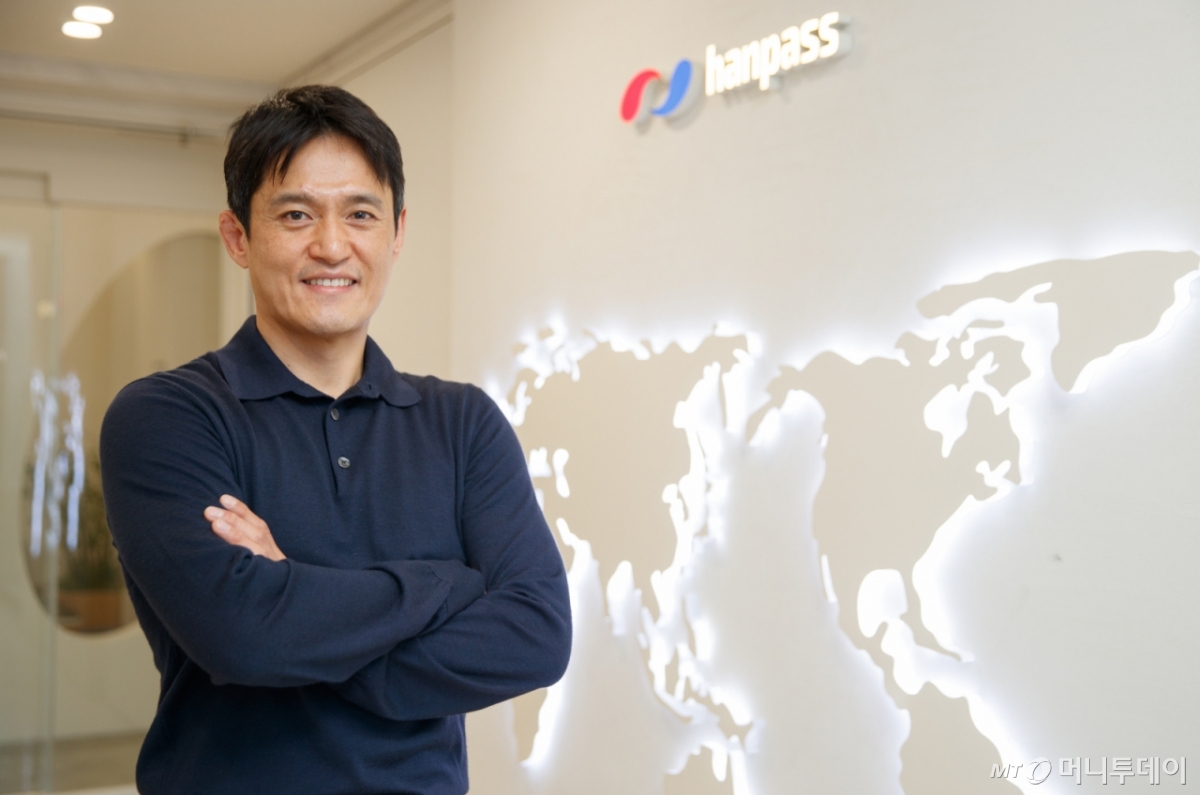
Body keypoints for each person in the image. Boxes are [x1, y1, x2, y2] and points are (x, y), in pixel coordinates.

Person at [100, 85, 572, 795]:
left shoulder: (463, 422)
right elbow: (243, 637)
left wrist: (289, 593)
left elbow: (536, 635)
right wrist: (445, 582)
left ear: (397, 232)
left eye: (360, 214)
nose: (330, 245)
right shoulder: (168, 416)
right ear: (238, 236)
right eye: (296, 214)